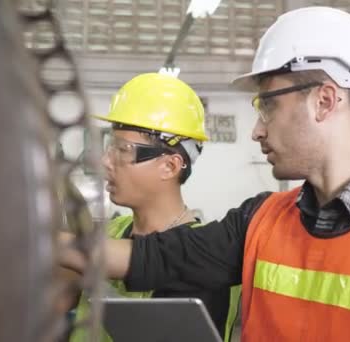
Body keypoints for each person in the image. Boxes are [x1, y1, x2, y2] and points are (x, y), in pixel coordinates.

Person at [59, 7, 350, 341]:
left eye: (267, 105)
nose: (256, 129)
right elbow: (160, 257)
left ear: (324, 101)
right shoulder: (262, 219)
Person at [66, 73, 241, 342]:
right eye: (109, 147)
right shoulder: (109, 233)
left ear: (169, 166)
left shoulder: (207, 260)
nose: (105, 161)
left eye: (122, 150)